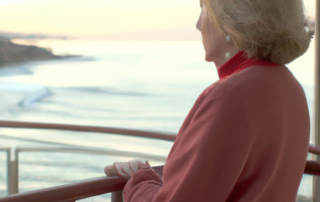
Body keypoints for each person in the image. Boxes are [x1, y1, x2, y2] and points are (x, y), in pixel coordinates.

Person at [104, 0, 315, 201]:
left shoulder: (232, 95)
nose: (197, 25)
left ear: (231, 18)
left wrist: (140, 177)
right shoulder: (290, 87)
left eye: (204, 7)